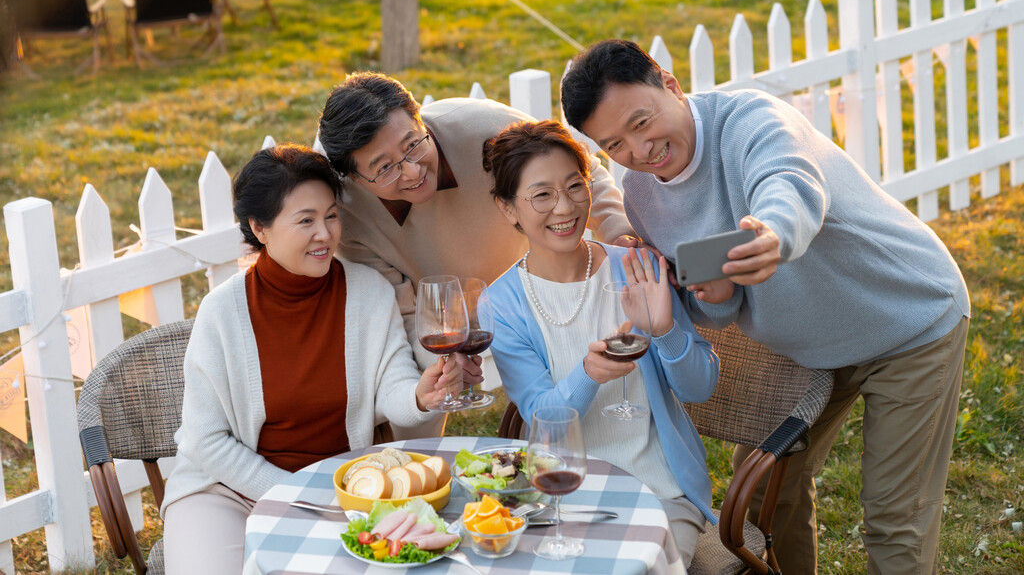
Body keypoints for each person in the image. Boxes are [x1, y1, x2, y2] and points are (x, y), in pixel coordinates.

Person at [559, 39, 971, 575]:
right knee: (766, 498)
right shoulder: (641, 192)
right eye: (614, 144)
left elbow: (789, 185)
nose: (640, 151)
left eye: (642, 123)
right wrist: (721, 297)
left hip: (907, 320)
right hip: (812, 346)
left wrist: (773, 234)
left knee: (896, 517)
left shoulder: (755, 121)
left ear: (670, 84)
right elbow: (713, 299)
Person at [161, 145, 468, 575]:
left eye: (331, 215)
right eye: (305, 220)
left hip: (341, 490)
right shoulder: (222, 312)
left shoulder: (368, 293)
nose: (324, 233)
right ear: (260, 228)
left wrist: (420, 395)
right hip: (223, 491)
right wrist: (291, 491)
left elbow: (392, 386)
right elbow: (204, 441)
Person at [317, 73, 639, 436]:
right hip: (440, 309)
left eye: (412, 145)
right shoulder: (347, 215)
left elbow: (580, 170)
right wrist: (445, 363)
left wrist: (619, 232)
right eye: (385, 168)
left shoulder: (481, 125)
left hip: (522, 285)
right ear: (355, 179)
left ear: (420, 119)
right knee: (423, 407)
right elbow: (404, 313)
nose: (411, 170)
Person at [480, 120, 721, 566]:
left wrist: (666, 331)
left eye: (575, 185)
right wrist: (588, 375)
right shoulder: (502, 303)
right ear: (508, 208)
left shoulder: (638, 266)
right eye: (542, 195)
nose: (565, 207)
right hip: (560, 494)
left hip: (659, 490)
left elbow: (699, 387)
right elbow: (540, 414)